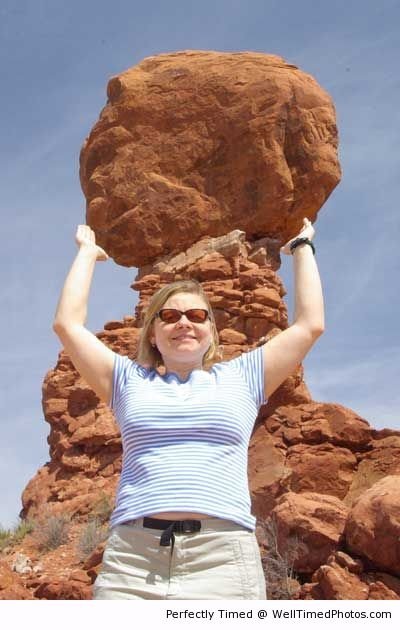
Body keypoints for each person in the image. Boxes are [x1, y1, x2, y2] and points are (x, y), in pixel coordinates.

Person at [52, 219, 324, 599]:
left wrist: (301, 248)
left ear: (211, 330)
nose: (184, 323)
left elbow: (310, 325)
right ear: (152, 332)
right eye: (170, 315)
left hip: (223, 558)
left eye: (197, 316)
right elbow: (67, 325)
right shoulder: (127, 381)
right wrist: (86, 254)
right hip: (132, 560)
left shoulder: (242, 377)